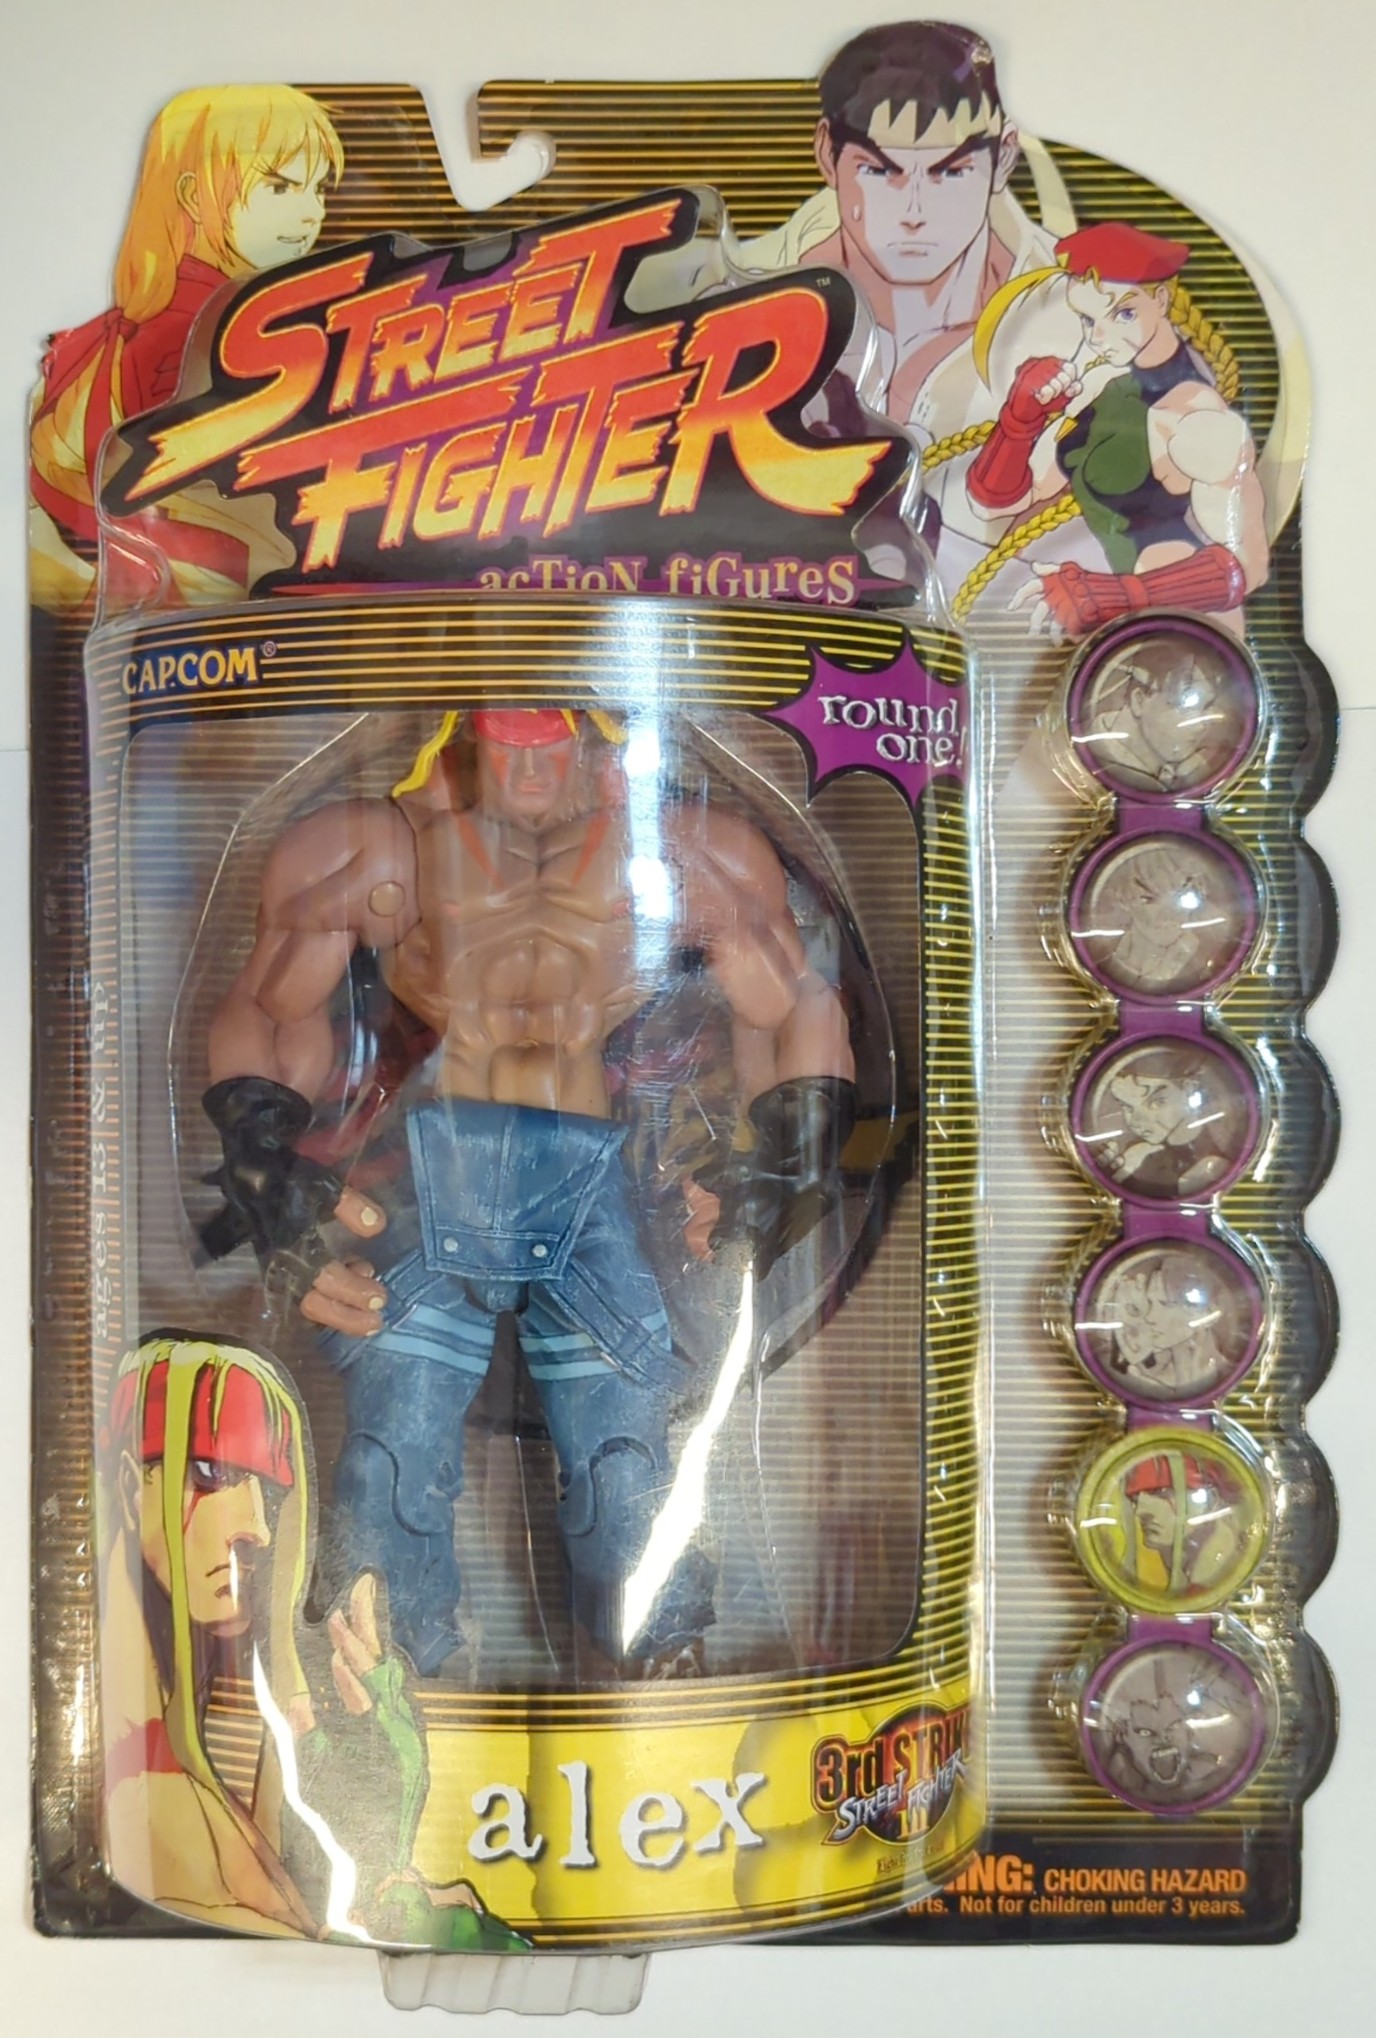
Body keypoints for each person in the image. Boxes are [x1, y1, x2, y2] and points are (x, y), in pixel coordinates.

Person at [200, 708, 858, 1678]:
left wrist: (793, 1150)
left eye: (551, 737)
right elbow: (267, 1005)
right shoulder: (382, 847)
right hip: (438, 1174)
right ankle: (379, 1677)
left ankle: (660, 1660)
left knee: (623, 1454)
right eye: (509, 738)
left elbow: (793, 1002)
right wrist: (266, 1167)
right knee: (391, 1448)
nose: (531, 761)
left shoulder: (686, 852)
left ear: (590, 735)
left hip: (589, 1179)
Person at [98, 1332, 525, 1946]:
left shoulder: (243, 1733)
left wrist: (382, 1829)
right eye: (212, 1473)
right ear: (128, 1487)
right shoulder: (134, 1788)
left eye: (269, 1490)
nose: (258, 1528)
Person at [30, 85, 343, 615]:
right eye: (279, 188)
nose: (312, 213)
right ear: (194, 196)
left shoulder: (222, 317)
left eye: (318, 189)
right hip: (202, 597)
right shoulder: (201, 331)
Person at [968, 220, 1268, 636]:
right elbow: (997, 504)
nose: (1099, 337)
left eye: (1124, 314)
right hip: (1123, 623)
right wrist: (1018, 422)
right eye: (1088, 320)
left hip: (1188, 627)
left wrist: (1115, 596)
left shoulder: (1195, 416)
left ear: (1160, 301)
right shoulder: (1107, 393)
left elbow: (1248, 565)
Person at [1097, 1051, 1235, 1199]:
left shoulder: (1210, 1167)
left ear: (1188, 1089)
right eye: (1128, 1108)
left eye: (1157, 1102)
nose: (1136, 1122)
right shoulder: (1141, 1153)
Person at [1103, 1256, 1234, 1399]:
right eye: (1150, 1303)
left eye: (1164, 1304)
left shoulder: (1229, 1373)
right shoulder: (1142, 1380)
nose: (1149, 1317)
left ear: (1208, 1311)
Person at [1124, 1449, 1246, 1600]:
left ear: (1212, 1499)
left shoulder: (1230, 1572)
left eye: (1161, 1492)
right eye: (1135, 1499)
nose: (1140, 1512)